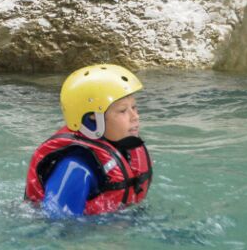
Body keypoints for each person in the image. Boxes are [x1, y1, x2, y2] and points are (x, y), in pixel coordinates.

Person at [24, 64, 152, 217]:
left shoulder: (123, 150)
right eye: (123, 111)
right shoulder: (76, 167)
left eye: (134, 107)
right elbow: (58, 227)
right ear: (93, 119)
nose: (135, 116)